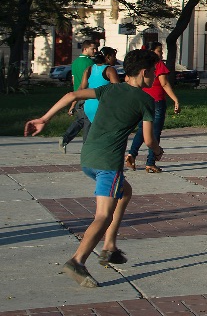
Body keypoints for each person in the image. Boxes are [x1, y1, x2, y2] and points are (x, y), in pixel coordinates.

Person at [24, 49, 162, 288]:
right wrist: (157, 152)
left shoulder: (109, 89)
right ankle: (78, 260)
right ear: (144, 72)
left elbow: (71, 95)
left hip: (88, 157)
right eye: (154, 72)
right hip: (108, 164)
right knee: (103, 215)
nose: (155, 77)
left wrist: (44, 119)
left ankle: (109, 245)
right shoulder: (145, 100)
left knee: (125, 192)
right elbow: (149, 140)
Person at [125, 41, 180, 174]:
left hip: (141, 100)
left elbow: (127, 79)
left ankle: (132, 154)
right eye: (159, 51)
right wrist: (175, 99)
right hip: (156, 101)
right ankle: (150, 162)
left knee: (141, 130)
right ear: (152, 51)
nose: (161, 54)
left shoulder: (140, 63)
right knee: (154, 132)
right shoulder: (158, 64)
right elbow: (164, 83)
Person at [60, 40, 99, 153]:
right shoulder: (90, 64)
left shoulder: (75, 62)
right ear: (85, 49)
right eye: (93, 49)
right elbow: (88, 82)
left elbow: (73, 80)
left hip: (78, 95)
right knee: (88, 122)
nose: (95, 51)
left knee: (81, 120)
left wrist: (74, 100)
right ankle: (87, 147)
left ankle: (65, 138)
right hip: (87, 95)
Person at [80, 47, 121, 126]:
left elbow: (82, 88)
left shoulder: (89, 69)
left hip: (88, 106)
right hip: (102, 107)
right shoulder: (110, 70)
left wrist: (73, 104)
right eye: (114, 56)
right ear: (108, 57)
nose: (115, 59)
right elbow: (118, 89)